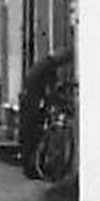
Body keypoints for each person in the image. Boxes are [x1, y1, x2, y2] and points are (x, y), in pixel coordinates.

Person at [19, 49, 69, 180]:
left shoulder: (43, 64)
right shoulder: (48, 68)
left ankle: (29, 167)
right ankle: (32, 168)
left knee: (28, 136)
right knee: (33, 136)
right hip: (32, 105)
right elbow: (50, 91)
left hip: (28, 102)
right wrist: (63, 101)